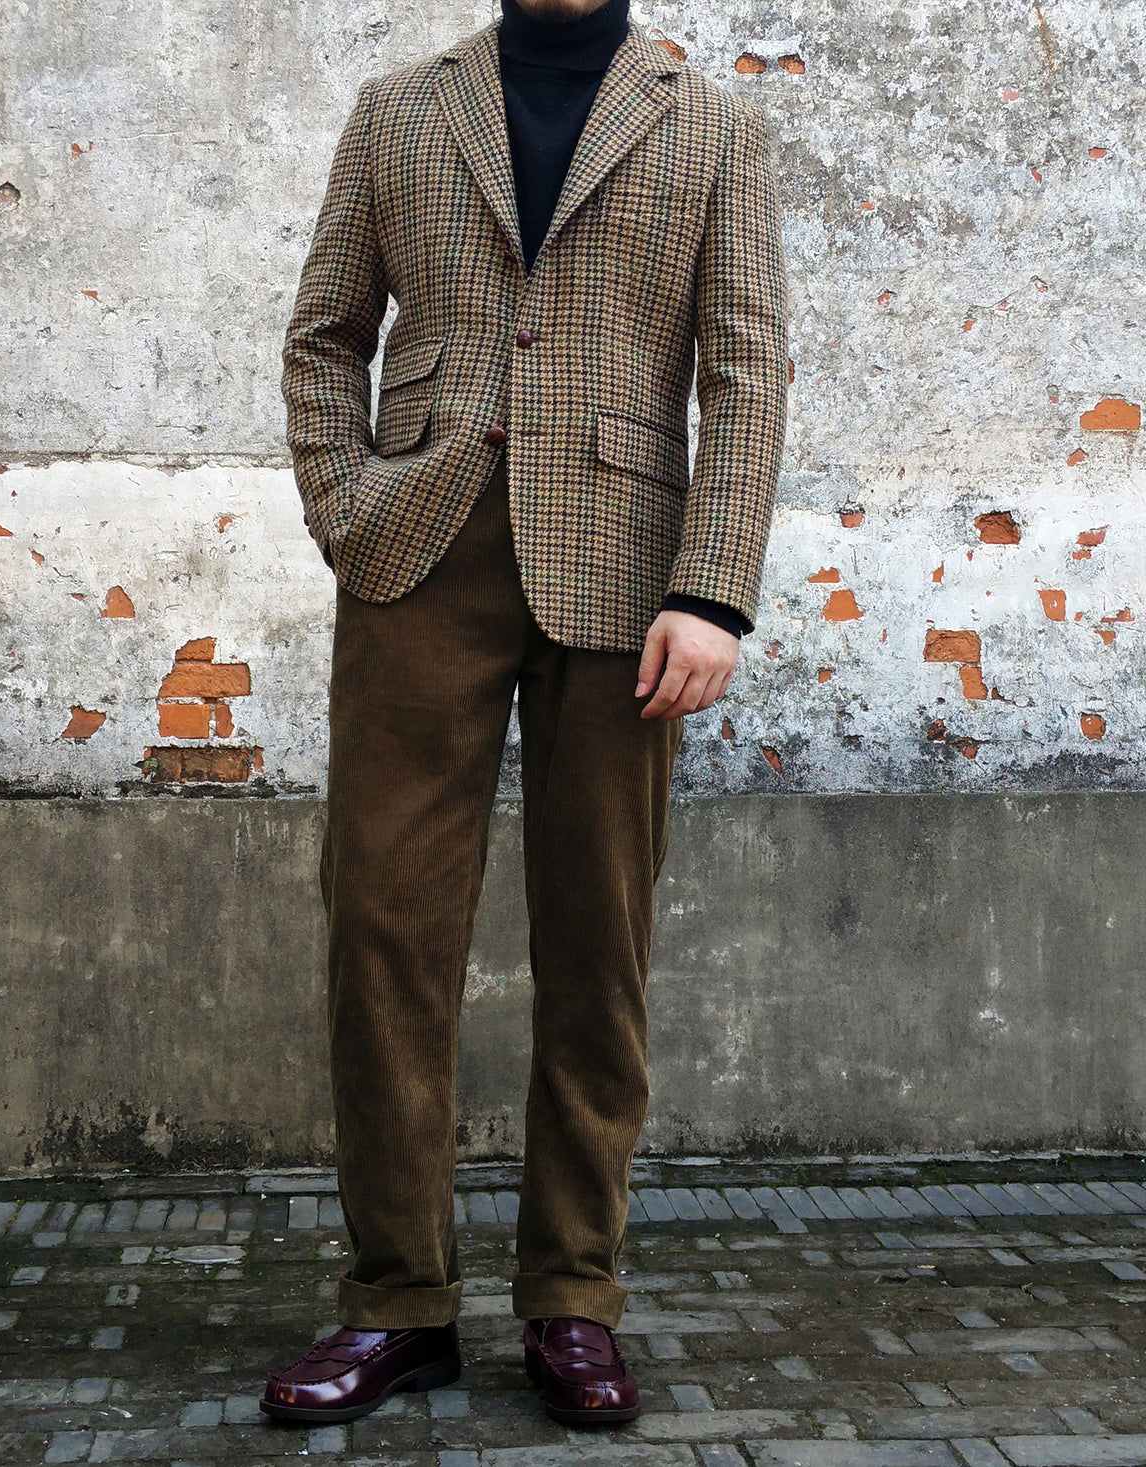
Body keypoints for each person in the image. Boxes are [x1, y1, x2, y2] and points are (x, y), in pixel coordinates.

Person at [259, 0, 788, 1429]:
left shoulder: (711, 124)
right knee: (384, 930)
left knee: (598, 939)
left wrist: (715, 591)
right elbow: (324, 336)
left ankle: (572, 1295)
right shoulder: (400, 108)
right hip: (416, 562)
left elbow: (745, 371)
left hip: (625, 578)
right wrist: (347, 504)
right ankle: (398, 1302)